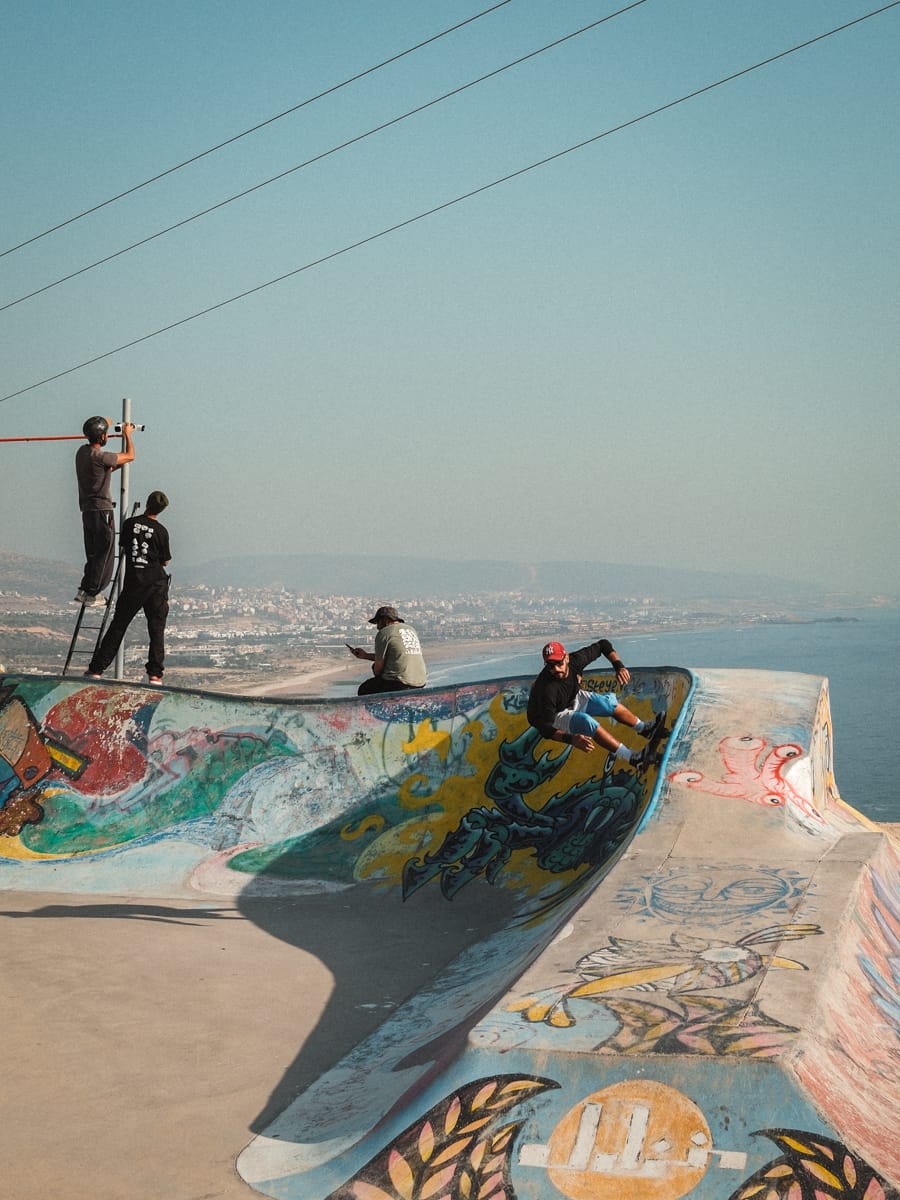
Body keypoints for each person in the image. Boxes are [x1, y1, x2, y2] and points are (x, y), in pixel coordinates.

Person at [526, 638, 665, 770]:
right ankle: (633, 758)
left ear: (566, 658)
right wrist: (571, 739)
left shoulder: (576, 660)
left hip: (572, 697)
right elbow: (545, 729)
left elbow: (603, 645)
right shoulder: (547, 690)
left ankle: (644, 728)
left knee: (607, 704)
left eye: (559, 663)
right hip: (552, 715)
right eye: (550, 665)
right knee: (587, 722)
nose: (556, 669)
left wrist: (619, 666)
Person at [85, 491, 171, 686]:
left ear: (147, 503)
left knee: (118, 626)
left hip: (135, 582)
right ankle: (155, 676)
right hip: (156, 583)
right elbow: (165, 560)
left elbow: (124, 546)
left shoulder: (130, 524)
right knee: (156, 630)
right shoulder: (162, 531)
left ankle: (96, 669)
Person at [74, 415, 136, 606]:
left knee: (92, 552)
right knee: (105, 554)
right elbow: (130, 455)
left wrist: (106, 423)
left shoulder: (82, 453)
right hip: (102, 511)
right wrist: (127, 434)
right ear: (101, 438)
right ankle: (94, 593)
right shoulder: (101, 457)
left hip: (87, 511)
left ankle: (85, 589)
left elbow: (106, 469)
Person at [348, 605, 427, 696]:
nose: (377, 627)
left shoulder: (384, 633)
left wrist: (379, 676)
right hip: (420, 682)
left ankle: (381, 706)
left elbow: (378, 668)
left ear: (385, 619)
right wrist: (365, 655)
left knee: (364, 689)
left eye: (377, 622)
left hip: (400, 684)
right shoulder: (411, 630)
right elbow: (395, 656)